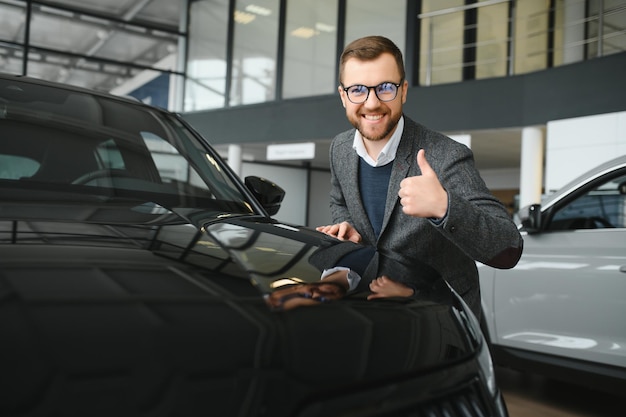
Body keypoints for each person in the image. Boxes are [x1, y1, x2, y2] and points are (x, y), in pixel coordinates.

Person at [316, 35, 523, 317]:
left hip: (440, 322)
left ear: (403, 91)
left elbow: (509, 248)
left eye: (385, 88)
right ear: (343, 96)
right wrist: (351, 228)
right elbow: (340, 201)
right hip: (369, 312)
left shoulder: (446, 156)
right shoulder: (340, 148)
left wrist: (445, 208)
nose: (372, 102)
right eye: (358, 90)